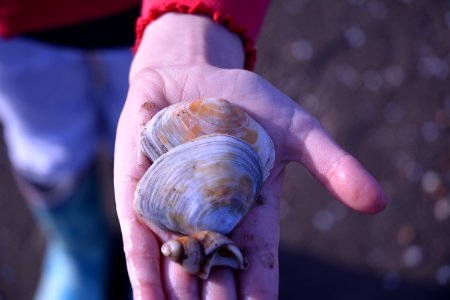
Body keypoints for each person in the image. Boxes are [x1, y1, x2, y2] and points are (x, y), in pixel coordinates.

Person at [1, 1, 387, 299]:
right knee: (49, 150)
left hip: (142, 19)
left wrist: (196, 24)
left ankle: (78, 248)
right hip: (13, 29)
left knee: (133, 122)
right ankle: (78, 250)